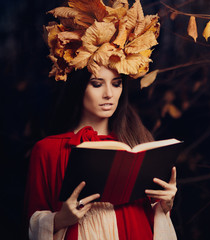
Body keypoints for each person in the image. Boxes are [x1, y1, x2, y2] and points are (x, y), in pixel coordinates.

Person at [25, 0, 178, 239]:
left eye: (116, 84)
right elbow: (33, 224)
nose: (109, 94)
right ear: (78, 88)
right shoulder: (48, 150)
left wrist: (165, 204)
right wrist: (61, 219)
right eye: (97, 84)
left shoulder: (137, 142)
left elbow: (153, 216)